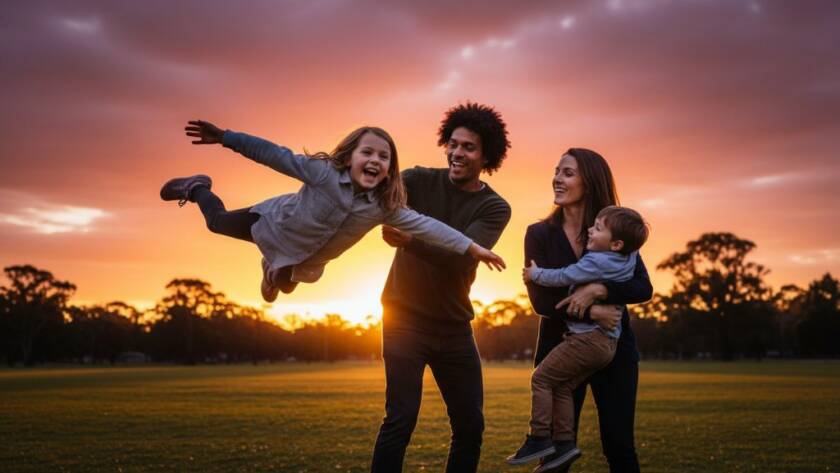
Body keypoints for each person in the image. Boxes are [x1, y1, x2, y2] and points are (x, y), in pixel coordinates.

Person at [160, 120, 505, 302]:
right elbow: (275, 155)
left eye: (383, 158)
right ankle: (197, 188)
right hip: (274, 225)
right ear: (350, 156)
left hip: (305, 259)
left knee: (288, 285)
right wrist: (225, 137)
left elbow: (429, 226)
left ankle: (272, 269)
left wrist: (473, 247)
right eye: (367, 153)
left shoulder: (384, 207)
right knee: (217, 224)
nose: (375, 161)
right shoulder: (322, 173)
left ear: (390, 169)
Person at [371, 102, 512, 473]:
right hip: (403, 319)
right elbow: (367, 193)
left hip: (453, 327)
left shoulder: (495, 207)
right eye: (453, 143)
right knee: (399, 421)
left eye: (468, 147)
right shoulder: (417, 180)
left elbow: (461, 259)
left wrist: (410, 242)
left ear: (486, 156)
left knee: (470, 427)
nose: (456, 153)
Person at [524, 148, 653, 473]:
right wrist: (594, 312)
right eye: (556, 171)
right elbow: (541, 302)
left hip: (616, 351)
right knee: (555, 455)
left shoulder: (616, 233)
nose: (557, 178)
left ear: (590, 183)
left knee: (619, 447)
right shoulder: (539, 234)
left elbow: (643, 288)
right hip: (560, 347)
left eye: (567, 173)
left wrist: (600, 289)